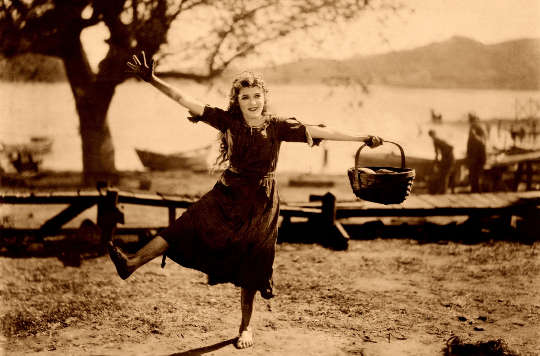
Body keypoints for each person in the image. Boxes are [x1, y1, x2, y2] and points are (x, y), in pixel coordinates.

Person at [109, 51, 383, 349]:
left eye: (256, 96)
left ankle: (246, 328)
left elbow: (321, 131)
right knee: (184, 226)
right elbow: (183, 99)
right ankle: (132, 263)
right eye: (245, 98)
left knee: (254, 260)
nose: (252, 102)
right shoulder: (226, 120)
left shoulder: (277, 126)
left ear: (264, 97)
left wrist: (362, 137)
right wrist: (152, 79)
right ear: (236, 102)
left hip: (261, 203)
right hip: (226, 193)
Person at [428, 129, 455, 194]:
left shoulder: (436, 141)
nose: (432, 137)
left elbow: (437, 152)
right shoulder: (439, 139)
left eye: (431, 136)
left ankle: (443, 191)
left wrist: (436, 161)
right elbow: (450, 147)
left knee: (444, 175)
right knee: (445, 175)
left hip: (448, 159)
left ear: (431, 135)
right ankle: (444, 190)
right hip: (449, 158)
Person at [466, 113, 487, 193]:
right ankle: (475, 191)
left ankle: (476, 192)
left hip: (476, 157)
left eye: (471, 119)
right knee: (475, 175)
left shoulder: (475, 127)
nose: (470, 122)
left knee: (475, 175)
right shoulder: (478, 127)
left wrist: (474, 136)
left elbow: (479, 141)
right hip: (477, 156)